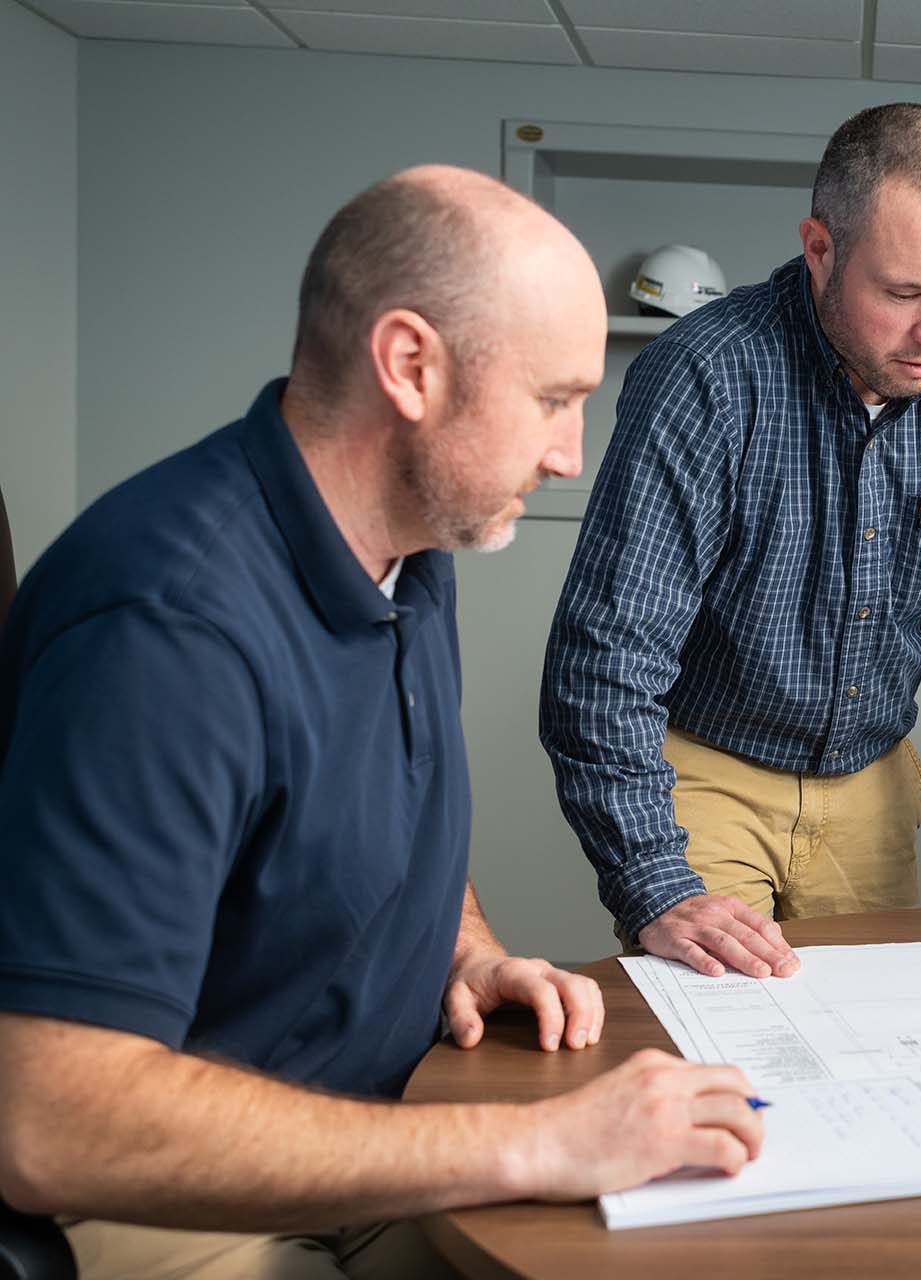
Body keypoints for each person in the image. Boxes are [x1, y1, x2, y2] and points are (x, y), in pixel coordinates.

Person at [0, 166, 762, 1278]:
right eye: (553, 398)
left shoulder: (407, 547)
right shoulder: (166, 628)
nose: (569, 455)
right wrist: (532, 1139)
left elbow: (381, 807)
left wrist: (466, 946)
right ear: (410, 366)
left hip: (381, 1121)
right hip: (185, 1196)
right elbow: (54, 1120)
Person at [542, 103, 921, 979]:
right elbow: (609, 651)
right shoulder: (705, 376)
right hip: (706, 772)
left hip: (873, 779)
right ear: (820, 249)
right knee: (726, 1034)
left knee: (863, 1041)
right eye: (904, 294)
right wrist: (654, 878)